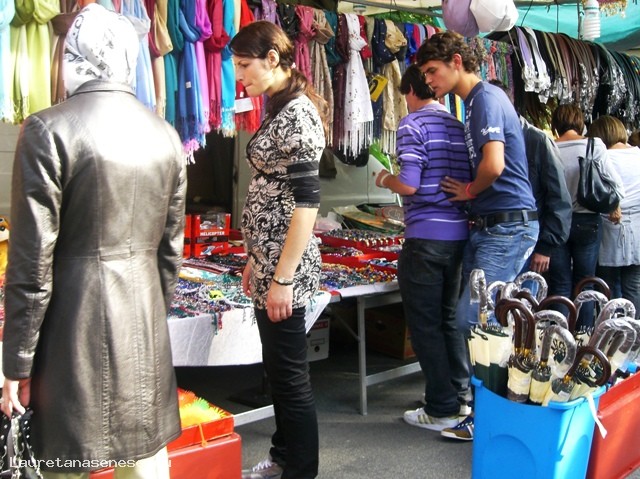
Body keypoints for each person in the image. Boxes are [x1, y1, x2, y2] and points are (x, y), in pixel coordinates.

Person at [2, 4, 186, 478]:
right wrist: (151, 315)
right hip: (143, 334)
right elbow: (170, 256)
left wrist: (16, 363)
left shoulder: (48, 129)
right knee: (143, 466)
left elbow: (31, 263)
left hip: (70, 339)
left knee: (64, 464)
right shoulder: (166, 135)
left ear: (72, 55)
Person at [416, 31, 539, 441]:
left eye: (432, 71)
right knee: (482, 319)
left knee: (476, 320)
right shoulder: (474, 102)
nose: (428, 81)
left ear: (456, 61)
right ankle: (489, 408)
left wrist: (469, 191)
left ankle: (487, 416)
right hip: (494, 226)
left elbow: (494, 165)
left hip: (506, 226)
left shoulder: (484, 98)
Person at [230, 21, 328, 479]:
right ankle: (284, 455)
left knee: (289, 376)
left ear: (272, 58)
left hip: (286, 267)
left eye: (244, 64)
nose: (239, 75)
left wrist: (282, 277)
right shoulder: (280, 106)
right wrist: (256, 258)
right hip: (270, 261)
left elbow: (307, 203)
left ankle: (300, 470)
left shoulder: (298, 115)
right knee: (280, 369)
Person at [374, 64, 472, 432]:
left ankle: (441, 407)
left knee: (425, 326)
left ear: (411, 92)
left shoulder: (412, 125)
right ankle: (459, 396)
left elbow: (410, 184)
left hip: (426, 237)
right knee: (448, 321)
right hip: (458, 236)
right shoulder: (457, 126)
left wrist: (386, 178)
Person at [549, 104, 624, 329]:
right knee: (586, 283)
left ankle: (560, 337)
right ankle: (584, 336)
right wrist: (614, 205)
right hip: (588, 221)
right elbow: (616, 186)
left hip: (556, 223)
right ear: (580, 122)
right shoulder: (594, 145)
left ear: (555, 124)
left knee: (560, 284)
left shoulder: (549, 146)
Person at [488, 80, 572, 277]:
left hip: (530, 242)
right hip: (495, 237)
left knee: (523, 294)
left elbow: (559, 197)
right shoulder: (488, 139)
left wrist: (545, 246)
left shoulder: (537, 140)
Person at [588, 115, 640, 318]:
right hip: (637, 226)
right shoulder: (638, 154)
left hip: (607, 224)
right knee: (634, 285)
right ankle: (633, 330)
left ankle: (611, 329)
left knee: (607, 285)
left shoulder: (601, 158)